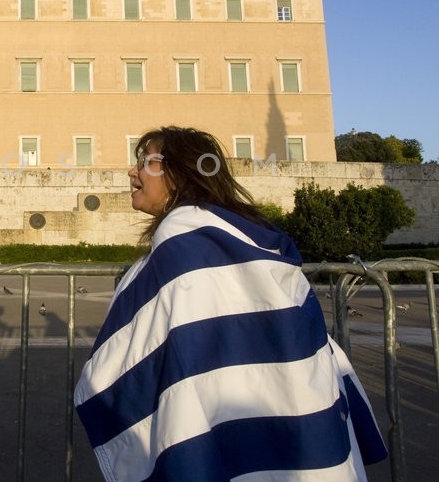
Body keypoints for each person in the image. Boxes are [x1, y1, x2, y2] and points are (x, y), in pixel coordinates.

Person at [74, 126, 387, 481]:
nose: (132, 172)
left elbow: (137, 349)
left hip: (221, 398)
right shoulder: (248, 229)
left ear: (177, 173)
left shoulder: (182, 234)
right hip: (294, 392)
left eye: (146, 163)